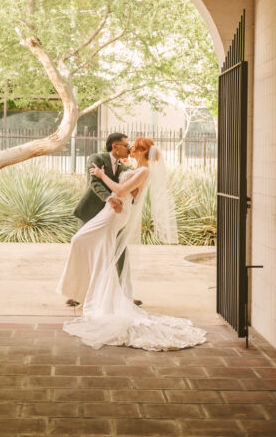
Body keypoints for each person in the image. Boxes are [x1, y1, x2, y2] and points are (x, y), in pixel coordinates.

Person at [57, 137, 207, 351]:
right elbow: (131, 189)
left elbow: (120, 189)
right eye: (128, 146)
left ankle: (101, 294)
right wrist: (120, 187)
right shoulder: (135, 168)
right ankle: (92, 291)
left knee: (81, 240)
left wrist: (101, 175)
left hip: (115, 212)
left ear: (142, 151)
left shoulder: (144, 170)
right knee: (99, 250)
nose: (130, 149)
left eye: (134, 147)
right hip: (111, 210)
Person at [64, 132, 141, 307]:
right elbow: (95, 183)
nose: (129, 149)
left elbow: (129, 188)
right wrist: (110, 199)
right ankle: (77, 294)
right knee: (83, 248)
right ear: (115, 146)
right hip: (91, 213)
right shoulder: (96, 158)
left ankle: (125, 294)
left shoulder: (124, 168)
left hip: (113, 216)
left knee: (120, 252)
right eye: (126, 145)